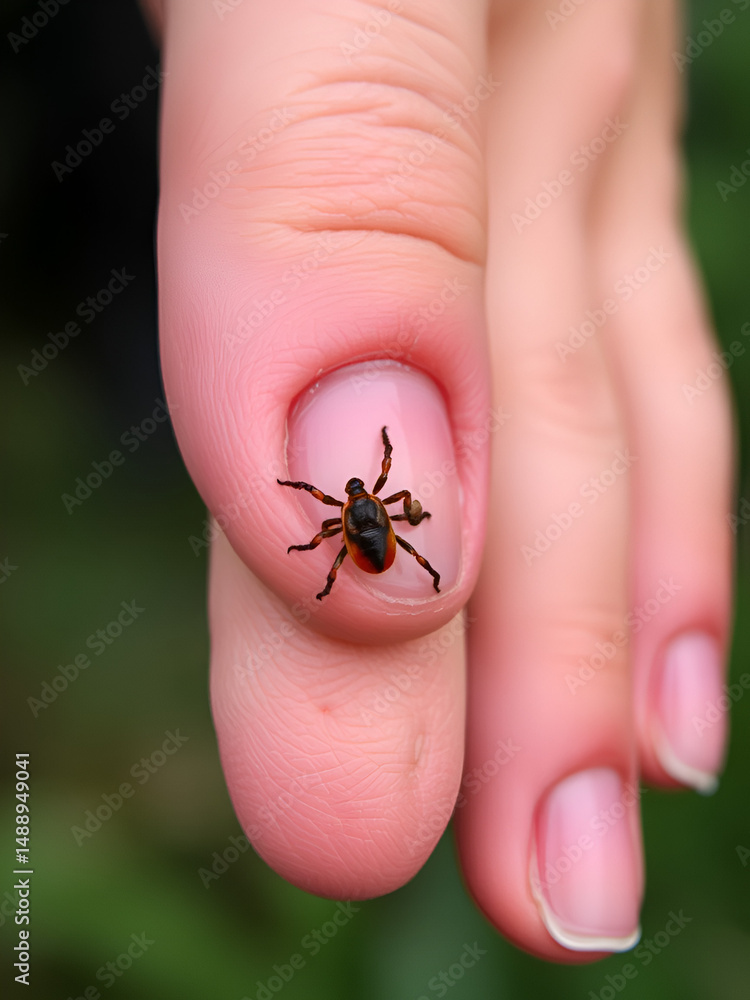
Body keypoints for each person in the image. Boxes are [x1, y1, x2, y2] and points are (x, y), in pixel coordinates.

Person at [142, 0, 732, 961]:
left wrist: (328, 546)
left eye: (366, 504)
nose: (365, 506)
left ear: (362, 507)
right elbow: (361, 513)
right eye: (365, 504)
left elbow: (331, 528)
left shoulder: (345, 517)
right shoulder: (368, 511)